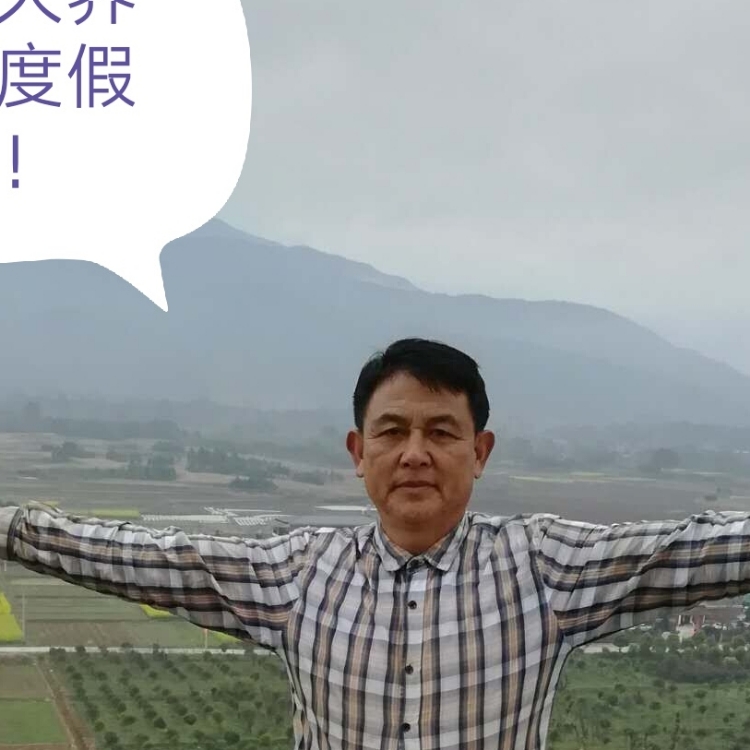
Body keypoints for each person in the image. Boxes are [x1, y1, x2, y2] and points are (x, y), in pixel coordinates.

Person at [2, 337, 750, 750]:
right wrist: (12, 529)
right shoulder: (300, 575)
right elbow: (149, 561)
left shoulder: (542, 569)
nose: (414, 453)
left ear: (480, 452)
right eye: (392, 431)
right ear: (359, 452)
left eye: (441, 432)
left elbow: (692, 552)